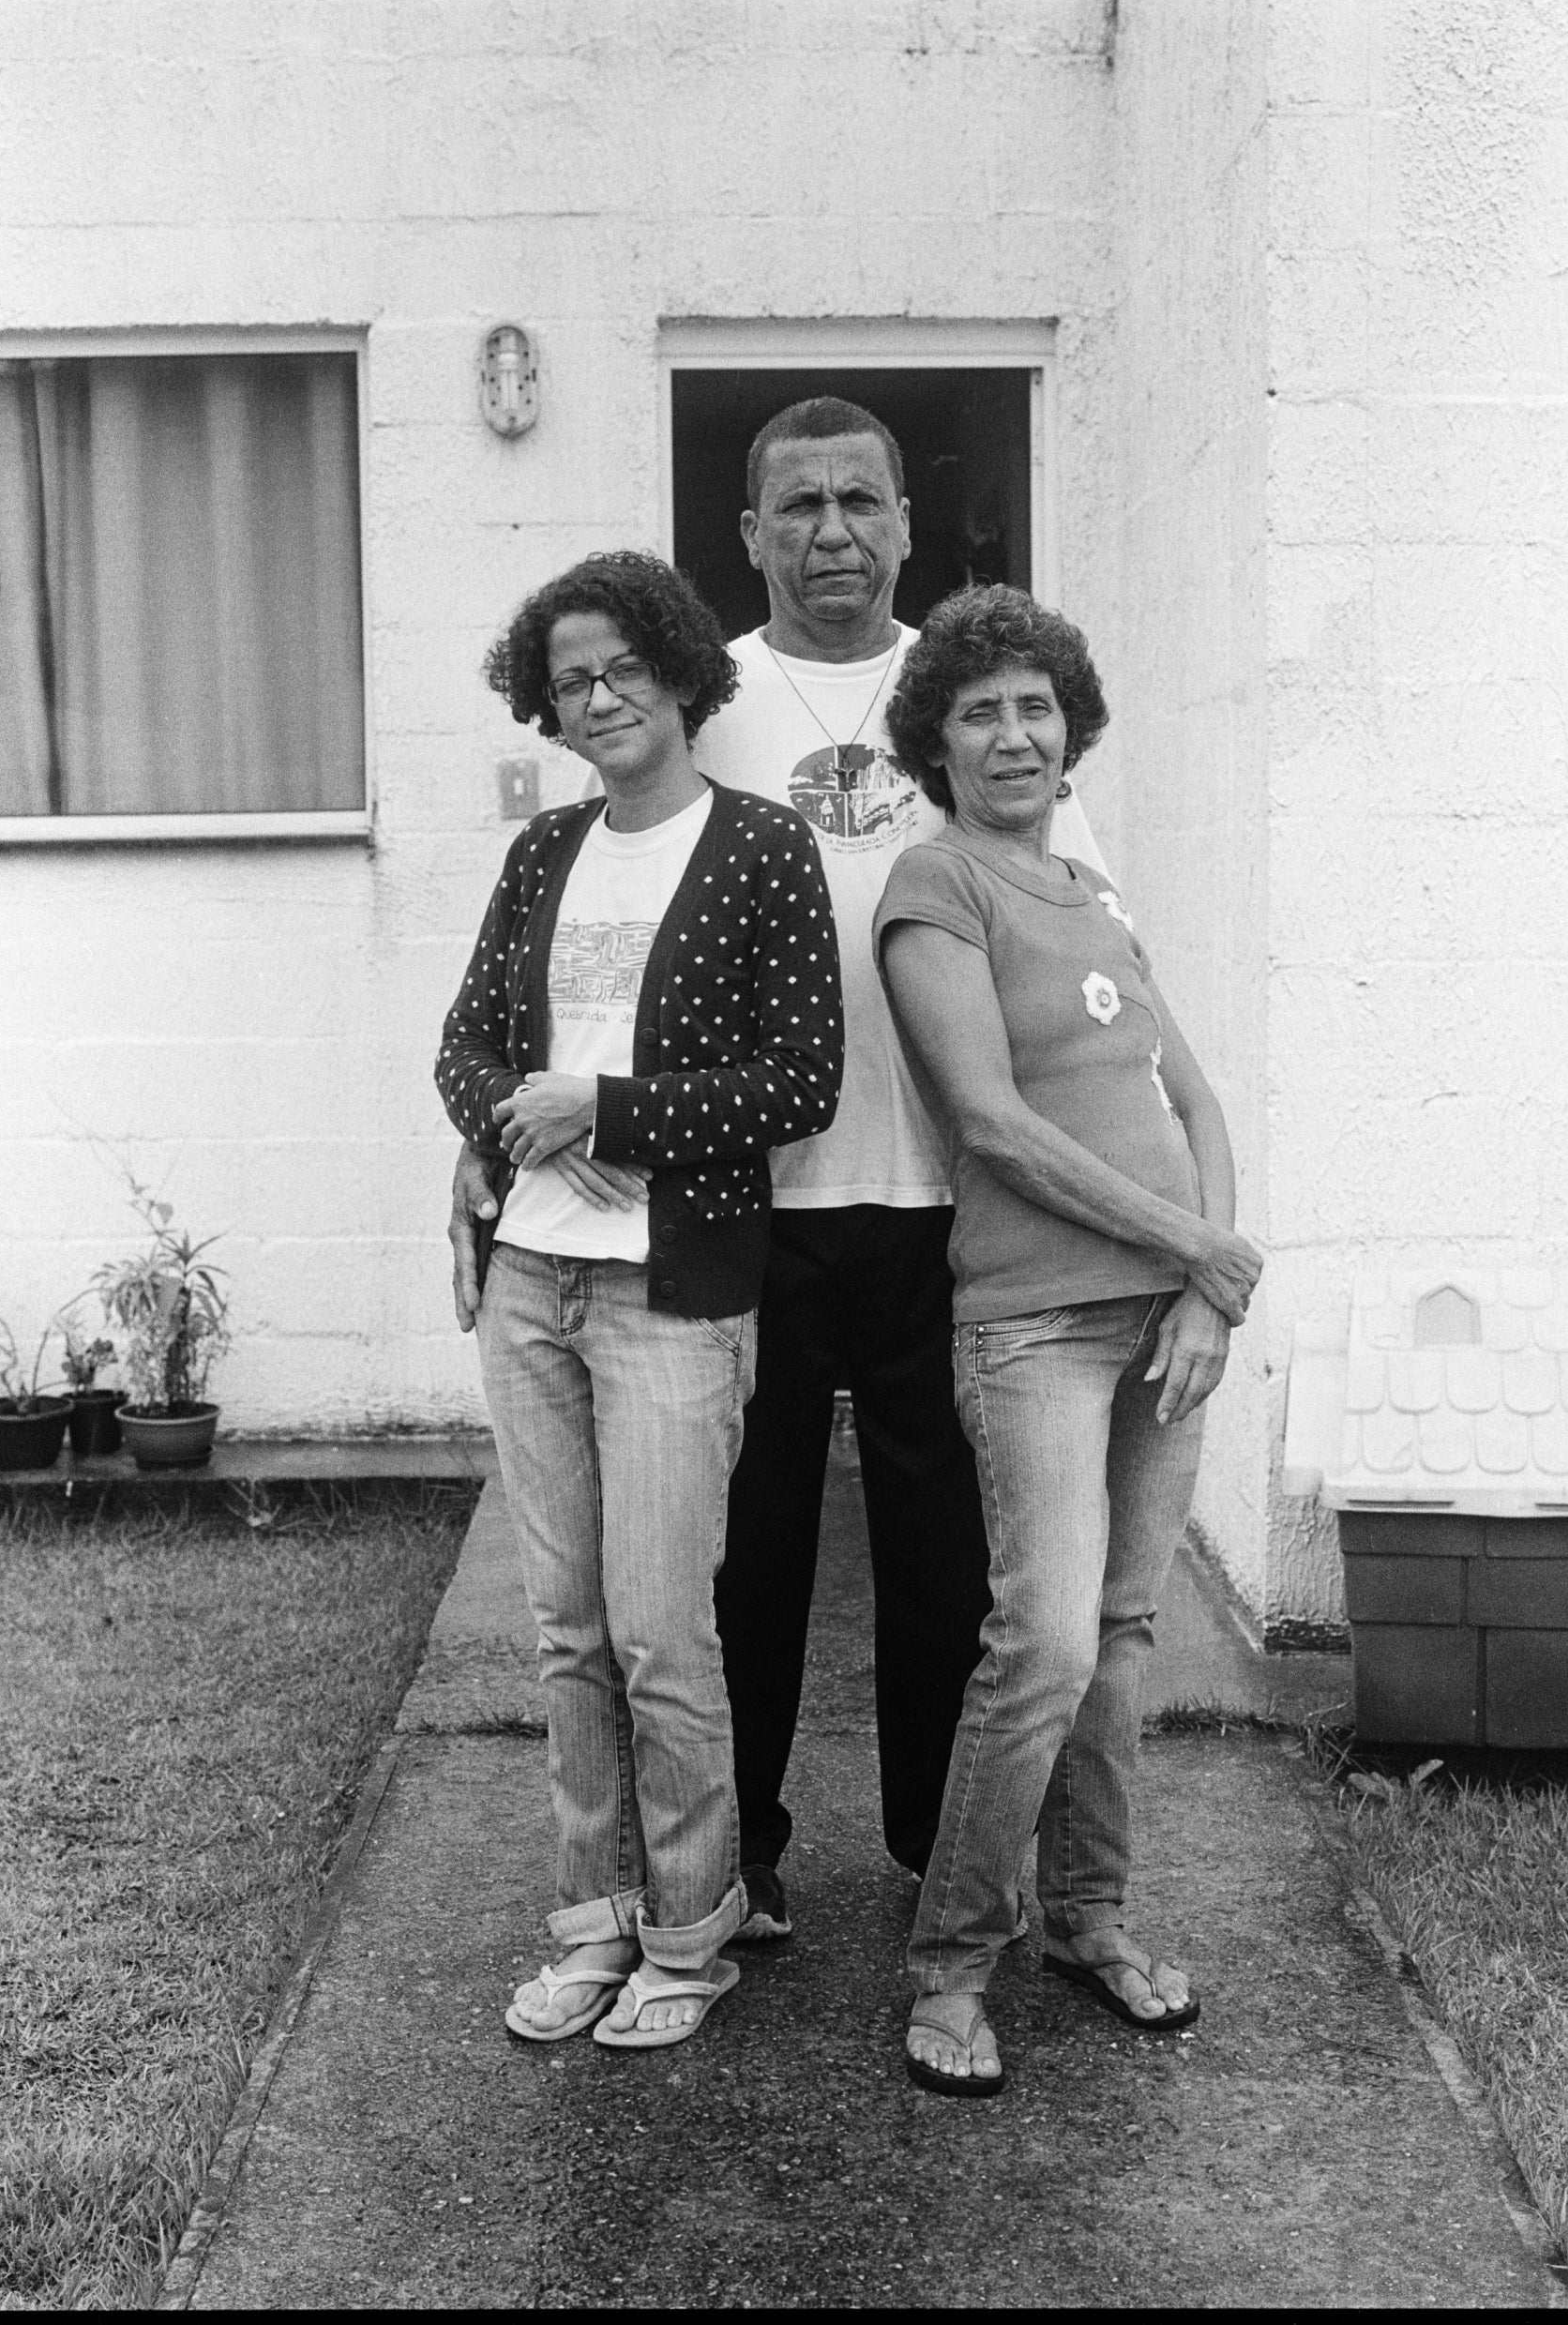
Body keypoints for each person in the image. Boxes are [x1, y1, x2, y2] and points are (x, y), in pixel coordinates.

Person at [449, 398, 1118, 1940]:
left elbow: (1083, 924)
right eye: (797, 505)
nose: (832, 530)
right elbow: (570, 967)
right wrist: (485, 1141)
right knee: (733, 1567)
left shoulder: (964, 695)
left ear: (905, 521)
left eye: (861, 500)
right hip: (739, 1206)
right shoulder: (700, 693)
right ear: (747, 535)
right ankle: (725, 1863)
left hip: (950, 1197)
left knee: (946, 1563)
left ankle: (933, 1859)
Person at [436, 551, 842, 2050]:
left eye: (621, 670)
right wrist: (514, 1130)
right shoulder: (544, 853)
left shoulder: (761, 849)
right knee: (567, 1628)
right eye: (570, 682)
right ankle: (593, 1920)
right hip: (529, 1283)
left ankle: (692, 1929)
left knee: (666, 1626)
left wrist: (602, 1109)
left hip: (675, 1295)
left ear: (680, 675)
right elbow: (465, 1053)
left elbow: (803, 1085)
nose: (598, 698)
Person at [869, 583, 1264, 2098]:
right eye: (981, 710)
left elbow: (1200, 1102)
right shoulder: (935, 885)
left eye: (1037, 707)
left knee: (1122, 1637)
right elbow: (990, 1121)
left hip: (1168, 1321)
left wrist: (1209, 1283)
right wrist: (1200, 1249)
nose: (1014, 732)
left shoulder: (1095, 897)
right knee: (1037, 1641)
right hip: (1036, 1323)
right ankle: (952, 1960)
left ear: (1070, 730)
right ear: (938, 742)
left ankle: (1090, 1916)